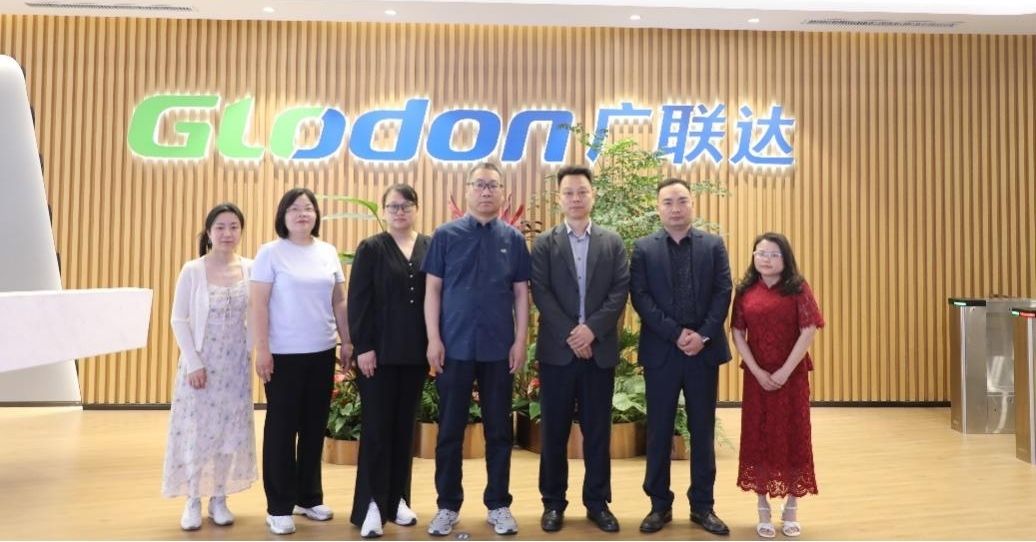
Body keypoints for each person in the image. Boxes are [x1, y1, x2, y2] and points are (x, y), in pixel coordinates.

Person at [422, 161, 531, 537]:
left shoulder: (513, 239)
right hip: (453, 346)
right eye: (480, 185)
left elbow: (521, 293)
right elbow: (432, 290)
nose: (486, 191)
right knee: (450, 430)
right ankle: (447, 505)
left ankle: (498, 504)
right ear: (468, 190)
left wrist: (520, 340)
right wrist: (433, 339)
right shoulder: (445, 235)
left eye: (493, 186)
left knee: (499, 430)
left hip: (498, 348)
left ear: (502, 193)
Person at [630, 178, 733, 536]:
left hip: (703, 352)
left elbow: (723, 291)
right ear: (658, 207)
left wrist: (702, 335)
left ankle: (703, 506)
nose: (675, 208)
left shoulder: (713, 245)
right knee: (658, 431)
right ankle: (659, 505)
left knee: (702, 431)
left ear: (692, 204)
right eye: (668, 202)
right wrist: (676, 334)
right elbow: (640, 297)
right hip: (663, 351)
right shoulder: (644, 248)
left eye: (682, 201)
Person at [529, 165, 629, 533]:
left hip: (598, 352)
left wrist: (591, 332)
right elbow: (541, 292)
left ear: (593, 195)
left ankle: (597, 502)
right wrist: (574, 334)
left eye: (582, 192)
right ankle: (553, 503)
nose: (575, 198)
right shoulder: (545, 243)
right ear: (559, 198)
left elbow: (619, 291)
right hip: (558, 352)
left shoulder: (612, 242)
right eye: (569, 193)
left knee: (598, 432)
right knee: (554, 432)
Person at [250, 187, 353, 536]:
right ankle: (278, 506)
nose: (302, 214)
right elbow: (258, 304)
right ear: (283, 215)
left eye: (308, 208)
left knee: (313, 427)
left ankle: (308, 497)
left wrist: (347, 340)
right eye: (294, 208)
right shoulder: (270, 253)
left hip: (321, 350)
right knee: (282, 429)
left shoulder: (327, 252)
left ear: (316, 215)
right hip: (283, 354)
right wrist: (262, 349)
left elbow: (339, 301)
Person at [163, 202, 257, 531]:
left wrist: (253, 353)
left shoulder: (250, 267)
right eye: (220, 227)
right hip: (201, 364)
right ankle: (193, 498)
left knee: (229, 432)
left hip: (235, 365)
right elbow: (178, 319)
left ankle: (219, 497)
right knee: (198, 431)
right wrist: (193, 363)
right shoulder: (193, 269)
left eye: (234, 227)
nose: (227, 233)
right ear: (208, 232)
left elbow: (257, 316)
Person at [347, 184, 430, 538]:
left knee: (403, 429)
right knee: (377, 430)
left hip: (415, 354)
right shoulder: (371, 248)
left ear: (416, 208)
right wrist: (363, 347)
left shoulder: (429, 246)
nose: (400, 211)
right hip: (377, 356)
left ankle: (397, 499)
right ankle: (371, 505)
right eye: (393, 206)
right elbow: (358, 301)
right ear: (383, 211)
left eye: (406, 205)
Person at [731, 232, 824, 538]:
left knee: (794, 435)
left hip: (792, 376)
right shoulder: (745, 290)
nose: (766, 259)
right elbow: (737, 332)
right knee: (758, 436)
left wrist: (785, 370)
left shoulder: (798, 287)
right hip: (756, 377)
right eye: (761, 253)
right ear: (753, 256)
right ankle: (762, 508)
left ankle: (792, 507)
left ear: (785, 258)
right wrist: (756, 370)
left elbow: (809, 329)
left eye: (774, 254)